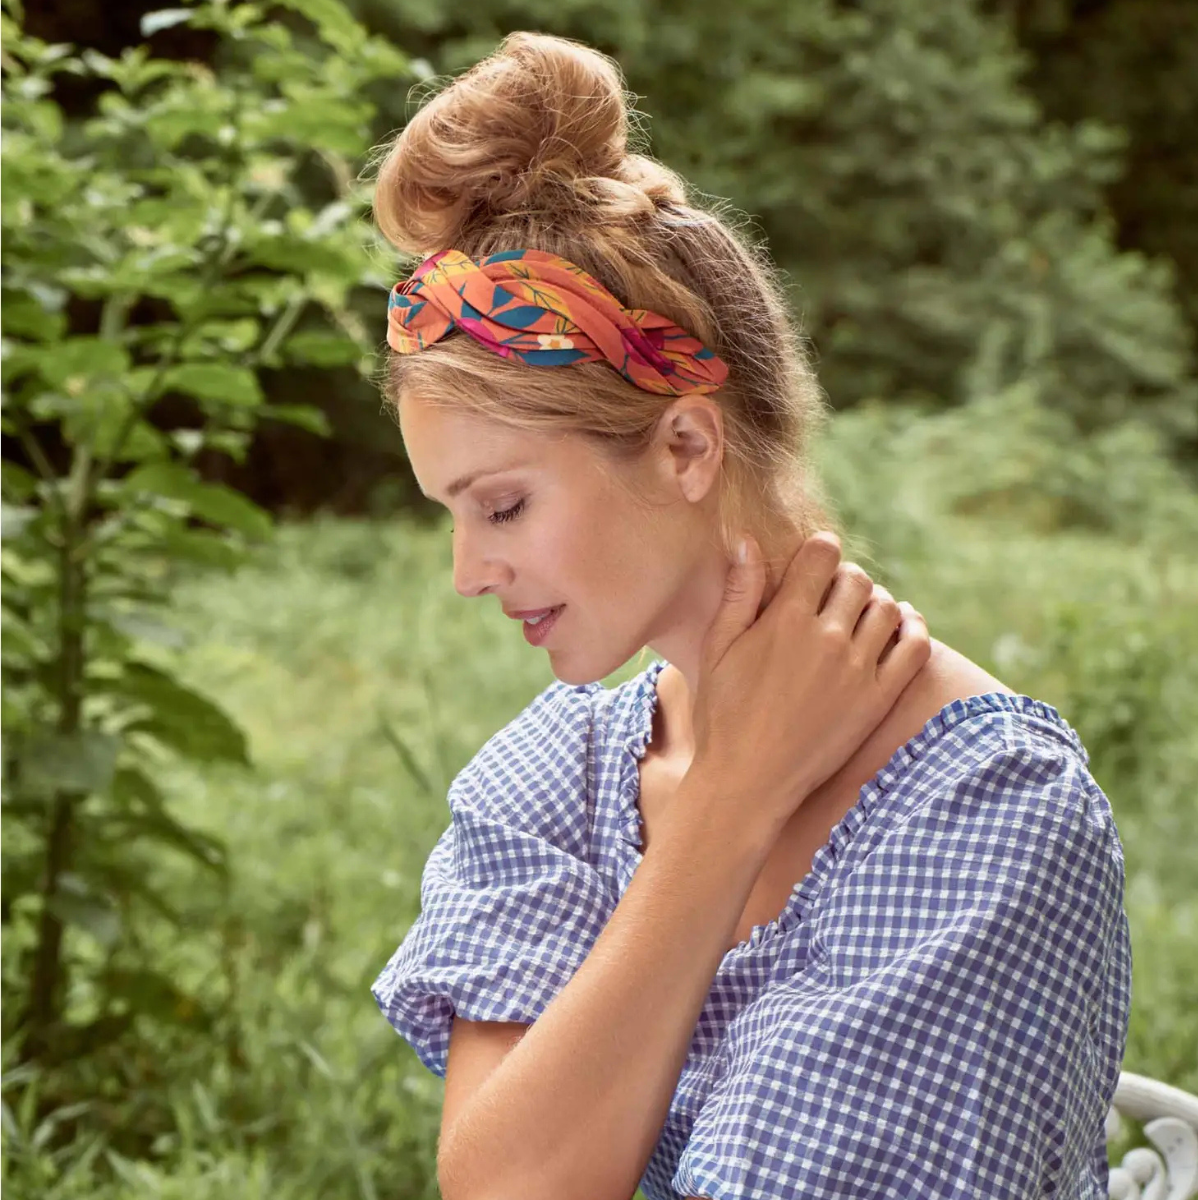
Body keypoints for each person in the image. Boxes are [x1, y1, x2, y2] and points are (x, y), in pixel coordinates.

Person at [369, 32, 1132, 1200]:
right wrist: (728, 808)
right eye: (454, 517)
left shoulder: (988, 816)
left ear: (685, 442)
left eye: (505, 506)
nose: (469, 571)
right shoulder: (552, 780)